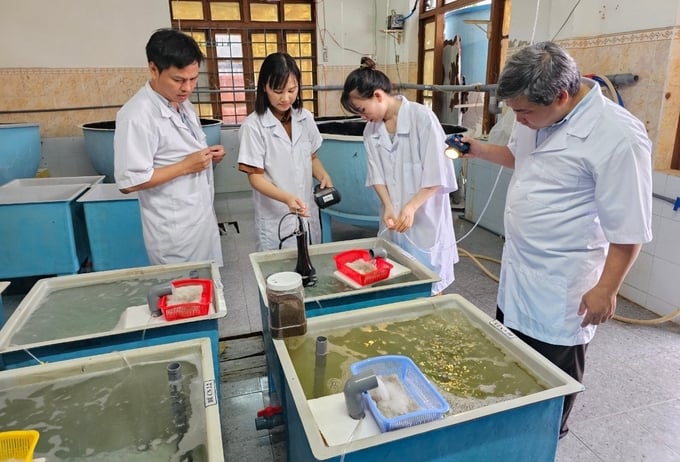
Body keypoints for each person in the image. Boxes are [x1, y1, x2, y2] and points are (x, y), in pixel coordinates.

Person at [460, 42, 652, 438]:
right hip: (519, 274)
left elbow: (629, 227)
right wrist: (477, 150)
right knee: (513, 358)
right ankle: (509, 429)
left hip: (564, 285)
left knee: (553, 374)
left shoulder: (618, 136)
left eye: (524, 113)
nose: (520, 120)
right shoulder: (539, 115)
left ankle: (544, 438)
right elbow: (522, 158)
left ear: (561, 95)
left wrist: (607, 288)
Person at [340, 57, 459, 295]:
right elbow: (377, 176)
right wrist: (388, 207)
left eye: (362, 110)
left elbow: (437, 173)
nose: (363, 117)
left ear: (377, 95)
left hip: (425, 215)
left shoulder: (422, 118)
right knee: (395, 276)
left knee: (429, 282)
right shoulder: (371, 131)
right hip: (393, 216)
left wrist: (412, 207)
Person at [114, 29, 224, 267]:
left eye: (193, 79)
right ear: (153, 69)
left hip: (199, 221)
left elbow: (180, 152)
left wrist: (207, 157)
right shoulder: (137, 115)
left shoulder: (182, 105)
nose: (187, 88)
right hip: (173, 233)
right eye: (178, 80)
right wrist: (186, 166)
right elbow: (129, 181)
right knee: (183, 297)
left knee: (208, 292)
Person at [238, 52, 333, 251]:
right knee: (279, 274)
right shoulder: (253, 126)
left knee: (309, 270)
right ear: (264, 87)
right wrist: (286, 198)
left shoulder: (305, 118)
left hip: (306, 209)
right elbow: (256, 178)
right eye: (278, 91)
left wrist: (323, 174)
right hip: (276, 215)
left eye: (292, 90)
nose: (286, 98)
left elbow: (312, 157)